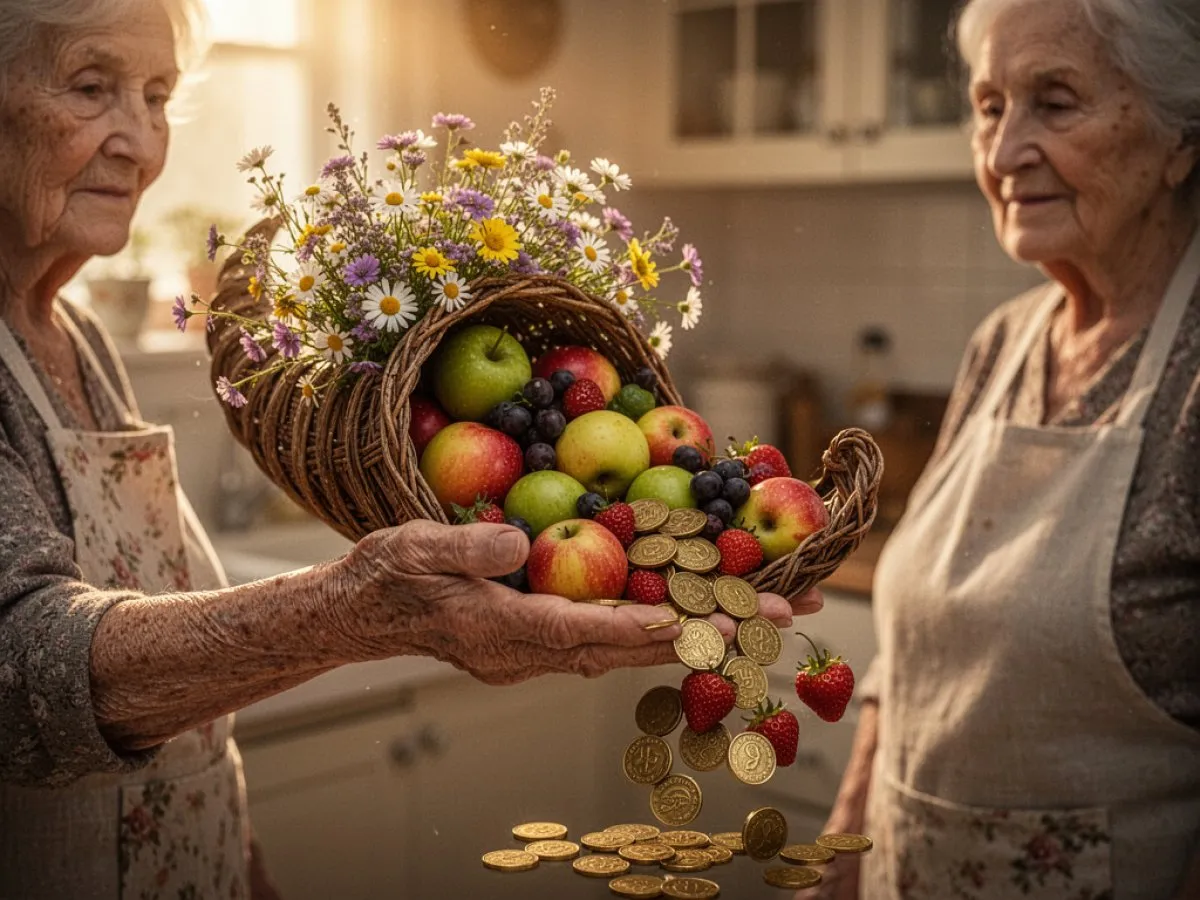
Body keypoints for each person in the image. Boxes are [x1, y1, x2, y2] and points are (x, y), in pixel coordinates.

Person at [0, 1, 820, 897]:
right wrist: (358, 611)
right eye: (92, 87)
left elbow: (188, 739)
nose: (141, 142)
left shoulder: (75, 336)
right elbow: (25, 670)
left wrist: (243, 867)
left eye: (158, 97)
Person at [812, 1, 1200, 898]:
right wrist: (837, 854)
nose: (1003, 151)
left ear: (1181, 136)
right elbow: (914, 656)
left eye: (1054, 103)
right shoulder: (1004, 342)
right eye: (990, 107)